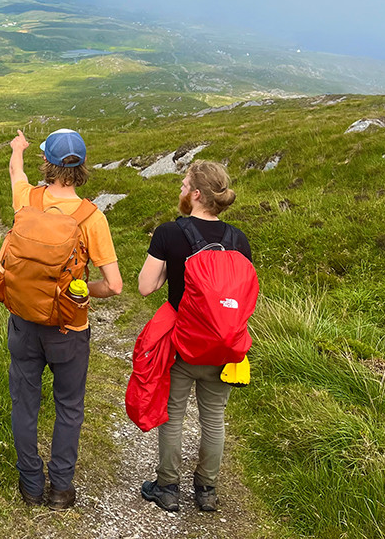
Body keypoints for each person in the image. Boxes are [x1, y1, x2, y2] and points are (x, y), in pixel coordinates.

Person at [7, 128, 122, 509]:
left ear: (48, 164)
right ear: (81, 166)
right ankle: (60, 489)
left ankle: (30, 484)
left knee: (25, 404)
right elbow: (116, 285)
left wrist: (17, 149)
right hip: (69, 327)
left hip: (24, 322)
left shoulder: (28, 200)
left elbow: (15, 175)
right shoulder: (91, 217)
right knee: (68, 405)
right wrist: (85, 290)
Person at [136, 160, 253, 513]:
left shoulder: (170, 233)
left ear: (197, 194)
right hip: (224, 347)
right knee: (213, 418)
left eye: (185, 184)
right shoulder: (238, 239)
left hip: (182, 345)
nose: (181, 189)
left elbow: (144, 287)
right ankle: (206, 491)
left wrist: (168, 277)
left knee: (173, 416)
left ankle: (167, 487)